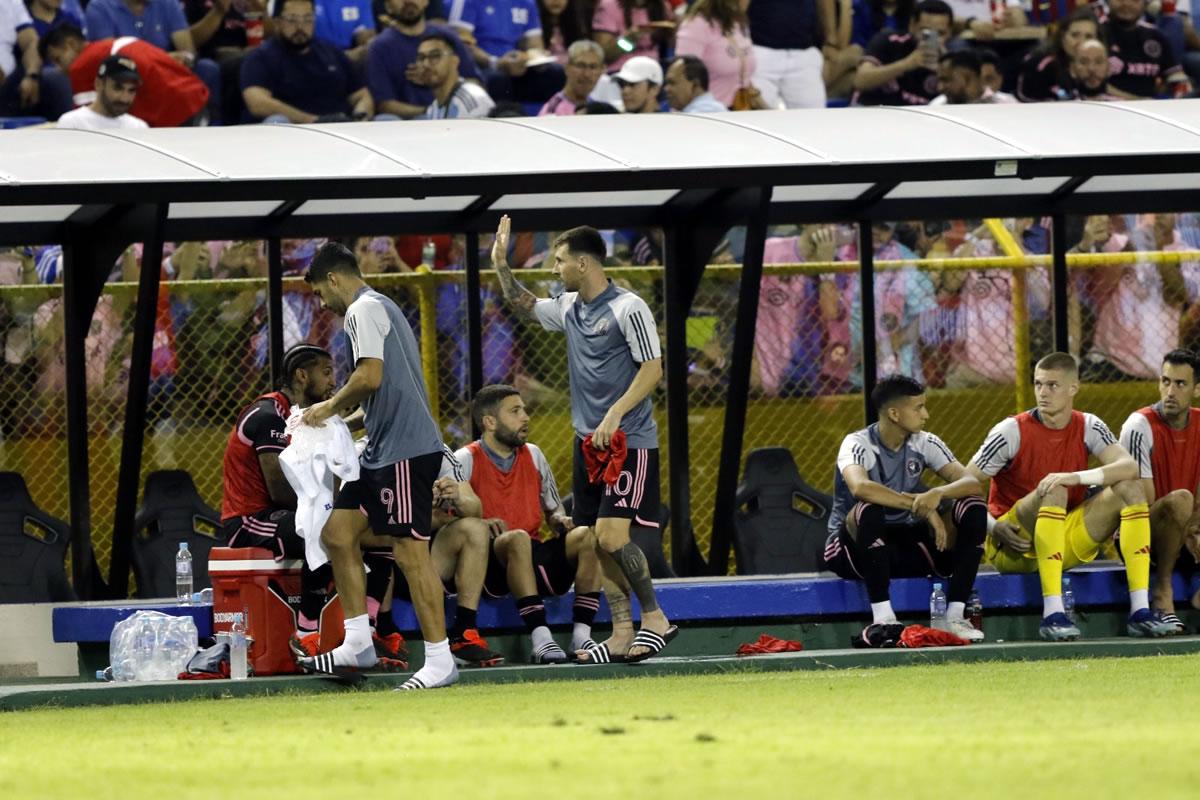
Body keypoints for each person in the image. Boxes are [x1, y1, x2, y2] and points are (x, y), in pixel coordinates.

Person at [492, 216, 677, 664]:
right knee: (595, 540)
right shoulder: (570, 306)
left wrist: (615, 412)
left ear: (583, 263)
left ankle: (655, 619)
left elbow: (653, 368)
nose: (554, 269)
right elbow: (524, 303)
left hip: (628, 441)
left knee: (613, 537)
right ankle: (619, 632)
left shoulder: (629, 307)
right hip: (587, 443)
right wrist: (500, 264)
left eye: (559, 261)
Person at [297, 242, 458, 690]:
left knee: (410, 553)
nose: (320, 302)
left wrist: (327, 406)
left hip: (404, 451)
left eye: (317, 292)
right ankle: (357, 643)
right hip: (380, 450)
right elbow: (382, 394)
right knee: (337, 533)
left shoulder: (360, 311)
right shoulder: (380, 306)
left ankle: (440, 661)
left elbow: (370, 377)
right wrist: (336, 422)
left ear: (333, 279)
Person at [965, 352, 1179, 641]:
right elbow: (964, 484)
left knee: (1131, 488)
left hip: (1062, 538)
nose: (1042, 392)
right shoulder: (1010, 431)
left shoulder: (1088, 425)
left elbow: (1128, 466)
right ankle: (1053, 614)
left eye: (1052, 385)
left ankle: (1140, 612)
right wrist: (993, 526)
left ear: (1073, 389)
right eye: (1038, 384)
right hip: (1015, 544)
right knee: (1054, 488)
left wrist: (1076, 477)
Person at [220, 345, 367, 655]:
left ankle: (372, 631)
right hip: (248, 519)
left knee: (365, 533)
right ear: (302, 375)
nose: (333, 382)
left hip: (280, 514)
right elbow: (280, 490)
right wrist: (329, 510)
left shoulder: (298, 416)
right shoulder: (268, 416)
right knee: (326, 532)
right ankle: (306, 632)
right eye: (326, 373)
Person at [824, 375, 988, 644]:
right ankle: (884, 618)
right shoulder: (857, 443)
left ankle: (956, 614)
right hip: (852, 550)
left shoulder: (925, 442)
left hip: (905, 544)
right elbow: (860, 487)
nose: (926, 414)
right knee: (869, 508)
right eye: (918, 407)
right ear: (894, 413)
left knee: (973, 506)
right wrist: (919, 504)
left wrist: (937, 494)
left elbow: (971, 483)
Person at [458, 384, 604, 664]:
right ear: (490, 422)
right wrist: (480, 523)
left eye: (524, 409)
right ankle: (541, 638)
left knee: (588, 535)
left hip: (532, 551)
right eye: (515, 411)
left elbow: (553, 510)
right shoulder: (465, 458)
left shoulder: (534, 454)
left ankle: (582, 634)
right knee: (516, 539)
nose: (525, 417)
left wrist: (560, 520)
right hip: (491, 564)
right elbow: (450, 523)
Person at [1119, 349, 1200, 631]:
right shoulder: (1139, 425)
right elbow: (1143, 501)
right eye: (1165, 381)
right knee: (1180, 500)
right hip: (1141, 529)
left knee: (1187, 503)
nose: (1170, 391)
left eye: (1180, 384)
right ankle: (1162, 593)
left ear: (1197, 388)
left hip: (1187, 529)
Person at [40, 24, 210, 126]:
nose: (59, 68)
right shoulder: (113, 45)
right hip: (199, 99)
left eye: (57, 59)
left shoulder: (81, 65)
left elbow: (87, 122)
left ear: (71, 44)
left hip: (175, 114)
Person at [240, 0, 374, 123]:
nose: (300, 27)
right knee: (277, 120)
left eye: (307, 19)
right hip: (292, 132)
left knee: (385, 119)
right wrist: (313, 121)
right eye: (292, 20)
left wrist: (360, 116)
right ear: (277, 22)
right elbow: (258, 103)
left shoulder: (332, 52)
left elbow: (361, 95)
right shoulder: (261, 57)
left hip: (340, 130)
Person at [366, 0, 478, 119]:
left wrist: (441, 76)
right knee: (384, 119)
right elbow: (385, 105)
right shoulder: (380, 47)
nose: (408, 1)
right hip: (404, 122)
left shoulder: (447, 37)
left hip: (451, 115)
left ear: (426, 2)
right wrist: (431, 111)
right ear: (388, 7)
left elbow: (475, 83)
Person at [449, 0, 564, 103]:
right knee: (498, 79)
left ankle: (550, 118)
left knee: (555, 73)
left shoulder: (527, 2)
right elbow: (462, 45)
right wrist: (496, 62)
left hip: (517, 65)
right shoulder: (466, 2)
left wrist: (531, 58)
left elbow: (534, 44)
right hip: (483, 66)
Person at [853, 0, 953, 106]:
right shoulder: (889, 40)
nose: (935, 39)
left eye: (940, 33)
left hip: (921, 119)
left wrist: (947, 70)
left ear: (950, 32)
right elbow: (860, 81)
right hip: (871, 110)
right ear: (912, 25)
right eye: (926, 32)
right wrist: (907, 64)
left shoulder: (954, 59)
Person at [675, 0, 764, 109]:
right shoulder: (696, 25)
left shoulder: (738, 22)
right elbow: (681, 77)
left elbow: (742, 71)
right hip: (709, 112)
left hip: (741, 108)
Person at [746, 0, 828, 108]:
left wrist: (827, 42)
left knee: (815, 119)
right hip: (761, 51)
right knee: (753, 118)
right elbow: (740, 7)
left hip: (803, 52)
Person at [1015, 5, 1099, 102]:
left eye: (1089, 36)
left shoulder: (1101, 65)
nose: (1081, 42)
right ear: (1063, 36)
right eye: (1075, 35)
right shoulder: (1041, 65)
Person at [1105, 0, 1187, 99]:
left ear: (1145, 4)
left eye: (1134, 1)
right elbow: (1091, 85)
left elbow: (1176, 77)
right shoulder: (1095, 32)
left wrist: (1179, 90)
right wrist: (1136, 100)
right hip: (1106, 107)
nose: (1126, 3)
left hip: (1150, 109)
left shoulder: (1155, 35)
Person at [55, 53, 148, 128]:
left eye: (131, 90)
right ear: (99, 84)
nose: (124, 98)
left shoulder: (138, 127)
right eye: (117, 88)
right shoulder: (72, 123)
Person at [417, 29, 495, 118]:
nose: (426, 64)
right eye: (421, 57)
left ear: (455, 61)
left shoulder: (471, 99)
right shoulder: (433, 109)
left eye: (435, 55)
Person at [591, 0, 671, 71]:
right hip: (620, 71)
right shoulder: (609, 5)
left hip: (653, 71)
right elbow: (604, 55)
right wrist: (629, 40)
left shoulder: (662, 5)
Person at [538, 38, 605, 115]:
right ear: (567, 67)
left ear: (602, 70)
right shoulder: (552, 110)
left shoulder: (597, 107)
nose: (587, 74)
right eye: (580, 65)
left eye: (593, 67)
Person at [929, 48, 1014, 103]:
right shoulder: (936, 107)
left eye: (947, 80)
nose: (940, 87)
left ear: (968, 77)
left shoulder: (1006, 104)